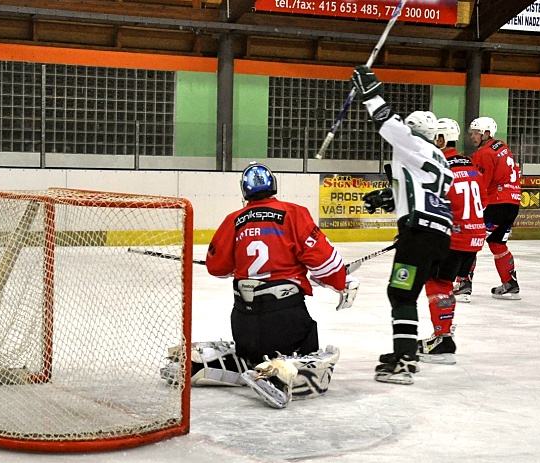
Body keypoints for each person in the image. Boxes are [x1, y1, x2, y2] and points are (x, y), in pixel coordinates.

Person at [187, 162, 358, 408]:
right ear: (274, 185)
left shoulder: (233, 220)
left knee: (249, 354)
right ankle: (279, 374)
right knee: (318, 360)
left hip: (243, 325)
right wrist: (341, 280)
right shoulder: (293, 213)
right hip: (285, 322)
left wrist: (238, 264)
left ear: (244, 191)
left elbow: (217, 268)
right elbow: (326, 265)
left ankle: (209, 363)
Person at [352, 65, 453, 385]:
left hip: (420, 233)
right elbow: (423, 191)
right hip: (438, 235)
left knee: (401, 294)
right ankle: (405, 350)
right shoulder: (440, 159)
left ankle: (406, 360)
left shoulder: (412, 145)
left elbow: (387, 122)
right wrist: (389, 197)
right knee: (404, 293)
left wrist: (369, 92)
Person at [418, 118, 486, 364]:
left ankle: (443, 338)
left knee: (436, 283)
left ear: (441, 140)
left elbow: (435, 207)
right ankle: (444, 329)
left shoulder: (441, 168)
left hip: (454, 238)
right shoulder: (471, 165)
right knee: (445, 283)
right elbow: (483, 202)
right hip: (474, 238)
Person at [469, 116, 522, 300]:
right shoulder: (502, 146)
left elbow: (482, 184)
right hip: (512, 203)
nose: (472, 136)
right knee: (497, 244)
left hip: (496, 204)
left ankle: (463, 284)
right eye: (472, 133)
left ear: (486, 133)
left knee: (471, 241)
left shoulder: (483, 153)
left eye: (476, 132)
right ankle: (510, 283)